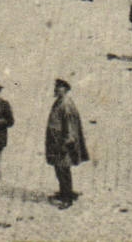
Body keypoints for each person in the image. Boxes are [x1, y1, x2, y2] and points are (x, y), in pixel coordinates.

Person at [44, 79, 88, 208]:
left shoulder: (66, 104)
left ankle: (67, 198)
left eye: (59, 87)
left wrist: (66, 143)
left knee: (63, 169)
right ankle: (64, 192)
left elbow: (70, 127)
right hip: (56, 142)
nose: (56, 89)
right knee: (59, 168)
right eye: (56, 87)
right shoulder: (60, 102)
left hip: (63, 144)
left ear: (65, 89)